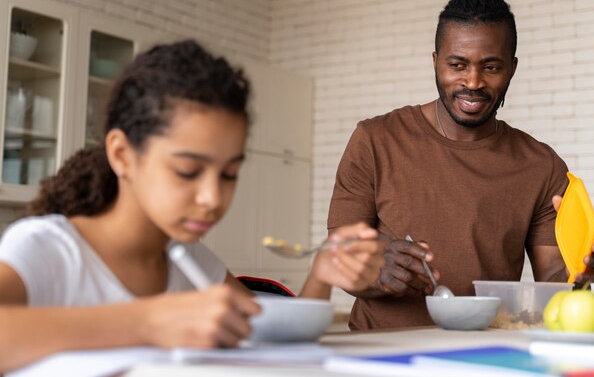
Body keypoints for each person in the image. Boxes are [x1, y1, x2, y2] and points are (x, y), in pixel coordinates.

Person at [0, 40, 384, 372]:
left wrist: (323, 272)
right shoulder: (49, 248)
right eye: (187, 171)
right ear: (121, 154)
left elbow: (275, 342)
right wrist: (148, 322)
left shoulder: (189, 259)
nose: (213, 198)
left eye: (229, 174)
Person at [327, 0, 594, 330]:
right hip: (377, 351)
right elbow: (337, 258)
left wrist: (579, 272)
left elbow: (555, 280)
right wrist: (371, 271)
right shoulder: (375, 140)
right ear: (435, 62)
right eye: (457, 65)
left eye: (491, 67)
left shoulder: (541, 165)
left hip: (485, 352)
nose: (473, 82)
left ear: (512, 69)